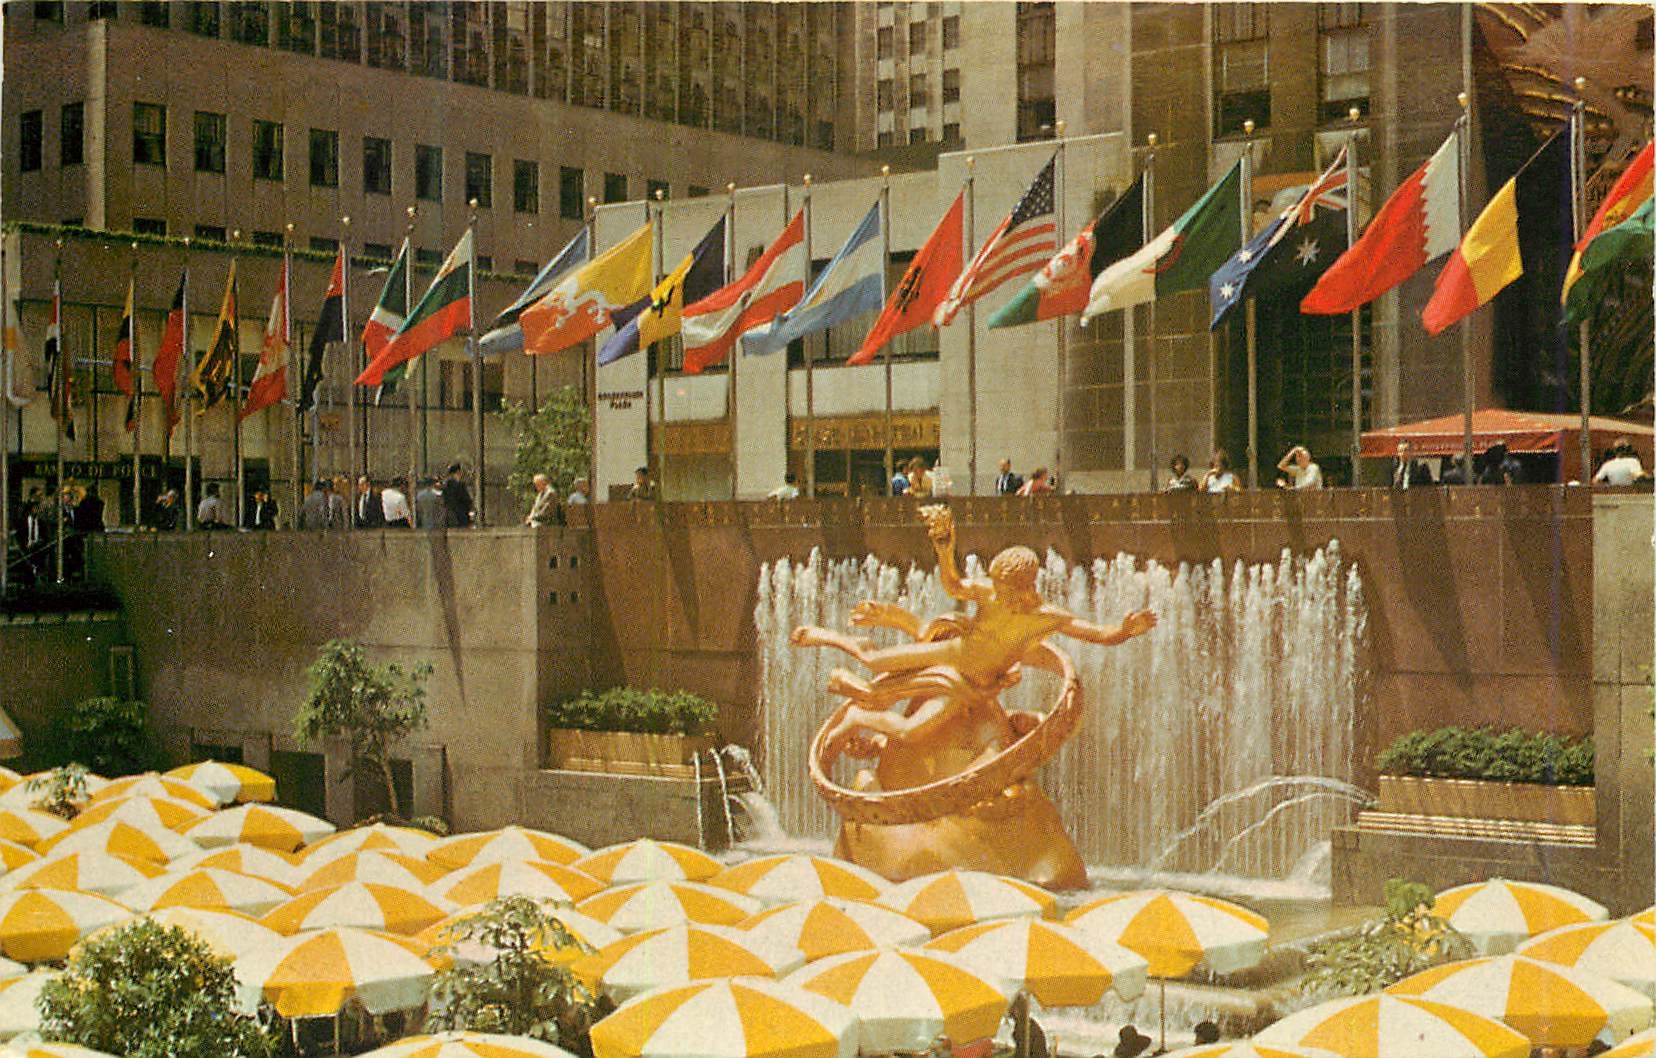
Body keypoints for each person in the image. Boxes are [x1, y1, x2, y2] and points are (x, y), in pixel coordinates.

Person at [790, 505, 1155, 888]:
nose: (995, 593)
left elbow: (1097, 634)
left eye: (1004, 588)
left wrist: (1125, 630)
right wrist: (944, 548)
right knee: (874, 660)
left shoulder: (1046, 617)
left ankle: (858, 717)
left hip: (966, 689)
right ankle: (833, 639)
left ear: (1025, 586)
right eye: (995, 584)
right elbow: (954, 585)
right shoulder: (990, 593)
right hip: (952, 655)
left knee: (910, 730)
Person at [442, 462, 474, 528]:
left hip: (449, 515)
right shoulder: (460, 486)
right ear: (457, 473)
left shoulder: (446, 486)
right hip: (460, 514)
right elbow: (466, 500)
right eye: (459, 473)